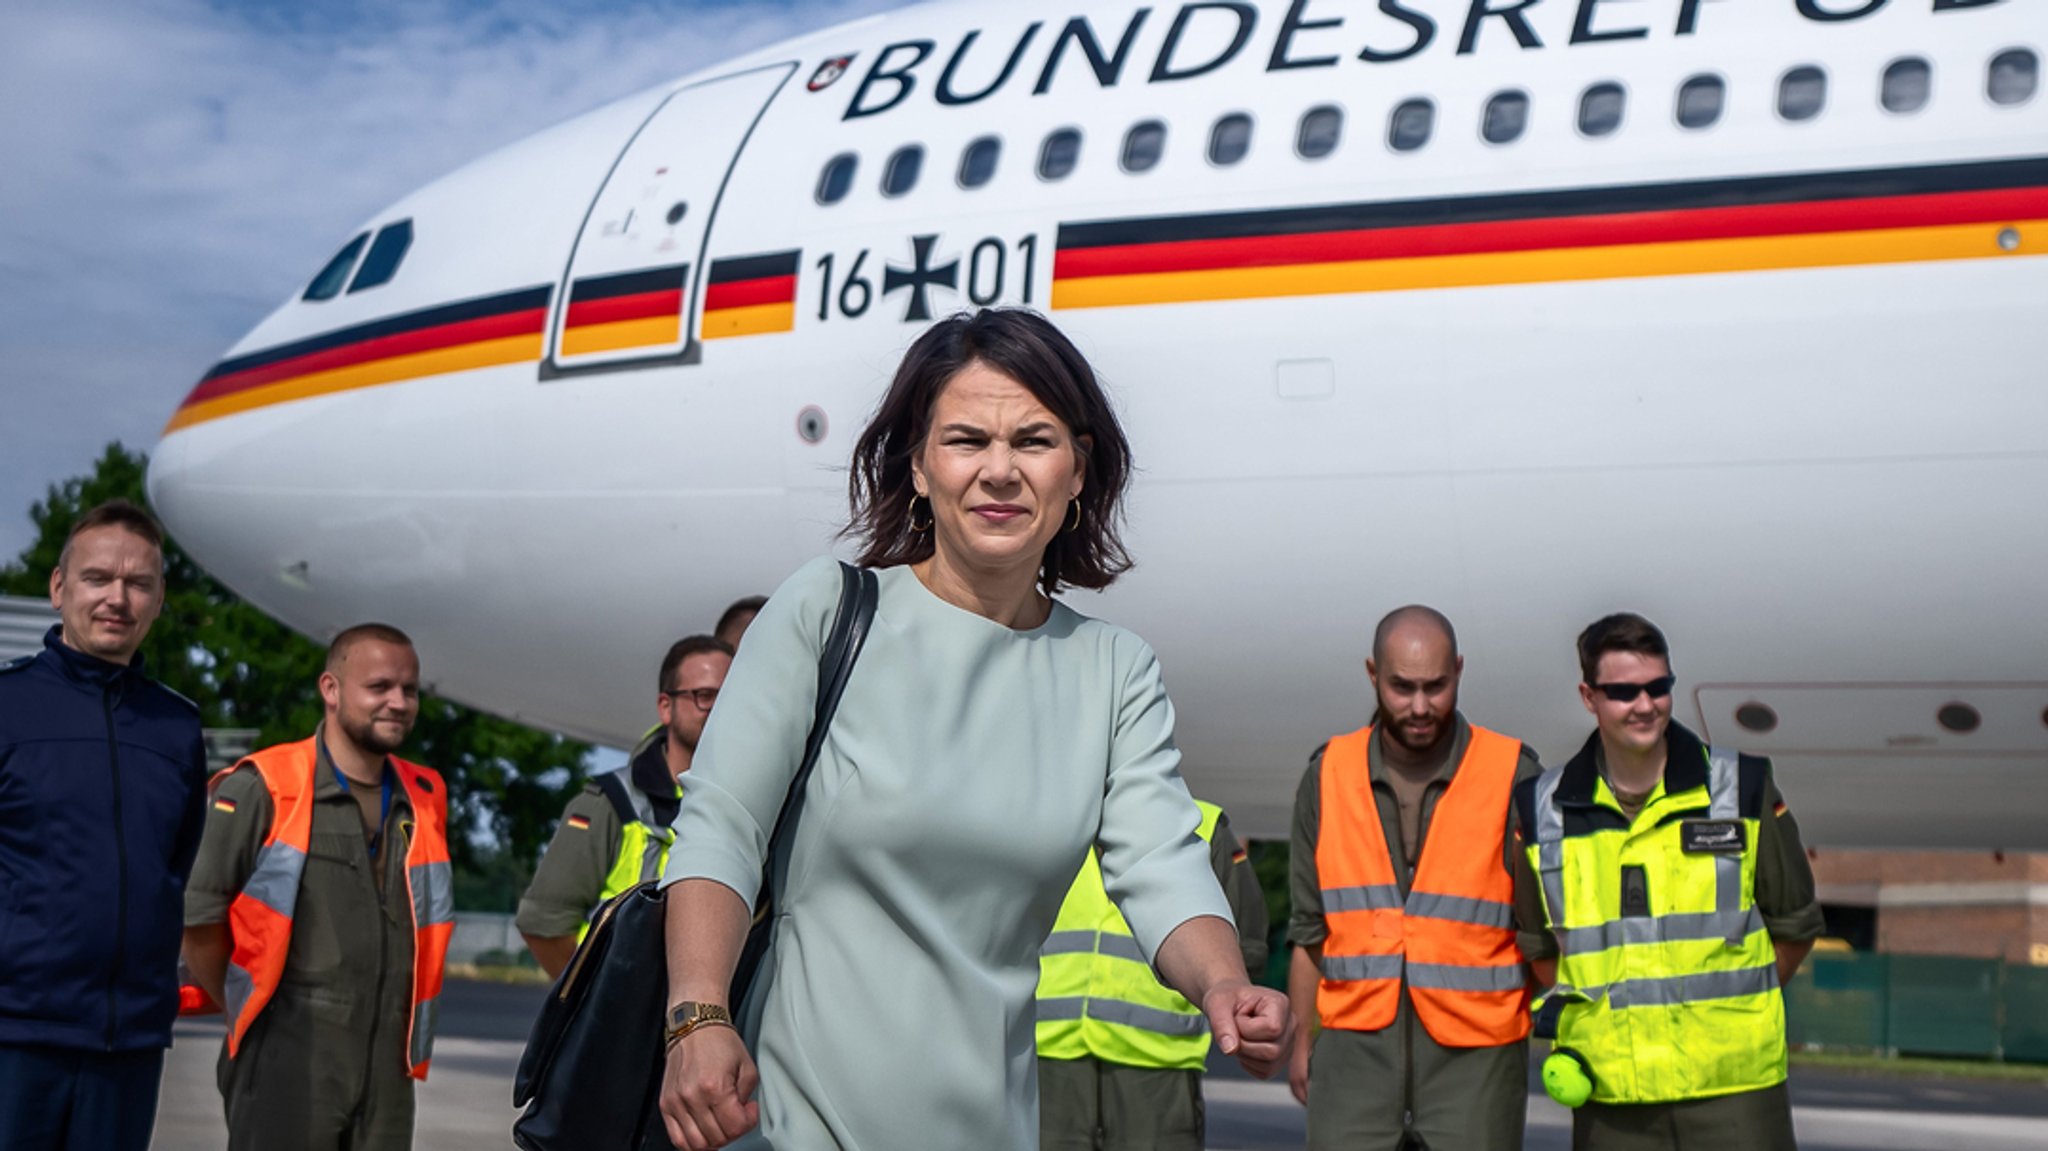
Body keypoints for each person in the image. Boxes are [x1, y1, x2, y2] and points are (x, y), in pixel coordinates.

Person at [655, 308, 1294, 1151]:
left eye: (1033, 440)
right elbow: (722, 825)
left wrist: (1224, 984)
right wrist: (696, 1013)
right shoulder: (825, 609)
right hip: (787, 1119)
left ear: (1078, 467)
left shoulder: (1114, 669)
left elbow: (1161, 862)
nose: (999, 471)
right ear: (919, 465)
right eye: (966, 441)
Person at [1513, 613, 1823, 1151]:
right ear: (1589, 697)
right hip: (1612, 1096)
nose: (1645, 704)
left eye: (1659, 687)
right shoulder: (1541, 812)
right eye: (1624, 691)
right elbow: (1540, 950)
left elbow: (1794, 925)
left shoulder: (1743, 787)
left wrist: (1725, 1021)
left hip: (1736, 1091)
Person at [181, 624, 454, 1151]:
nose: (398, 702)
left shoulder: (425, 795)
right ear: (331, 689)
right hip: (287, 1056)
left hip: (389, 1066)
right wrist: (250, 1010)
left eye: (410, 689)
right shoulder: (264, 786)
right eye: (379, 687)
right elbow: (198, 921)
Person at [1286, 606, 1543, 1151]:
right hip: (1354, 1063)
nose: (1421, 706)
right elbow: (1309, 932)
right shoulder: (1327, 774)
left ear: (1460, 671)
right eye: (1402, 687)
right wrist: (1302, 1043)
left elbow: (1542, 929)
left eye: (1437, 686)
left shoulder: (1515, 775)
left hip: (1478, 1068)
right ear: (1372, 674)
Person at [0, 501, 208, 1151]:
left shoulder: (177, 728)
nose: (118, 598)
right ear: (59, 587)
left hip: (130, 1044)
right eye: (97, 578)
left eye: (138, 583)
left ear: (158, 598)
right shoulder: (8, 708)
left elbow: (175, 865)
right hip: (15, 1038)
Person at [1036, 797, 1268, 1151]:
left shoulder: (1203, 825)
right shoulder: (1038, 820)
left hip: (1159, 1069)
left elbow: (1245, 951)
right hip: (1044, 1063)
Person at [518, 635, 734, 977]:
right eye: (704, 697)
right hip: (628, 1021)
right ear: (666, 707)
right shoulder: (610, 801)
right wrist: (594, 1006)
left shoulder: (757, 803)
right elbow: (543, 922)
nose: (721, 709)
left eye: (732, 696)